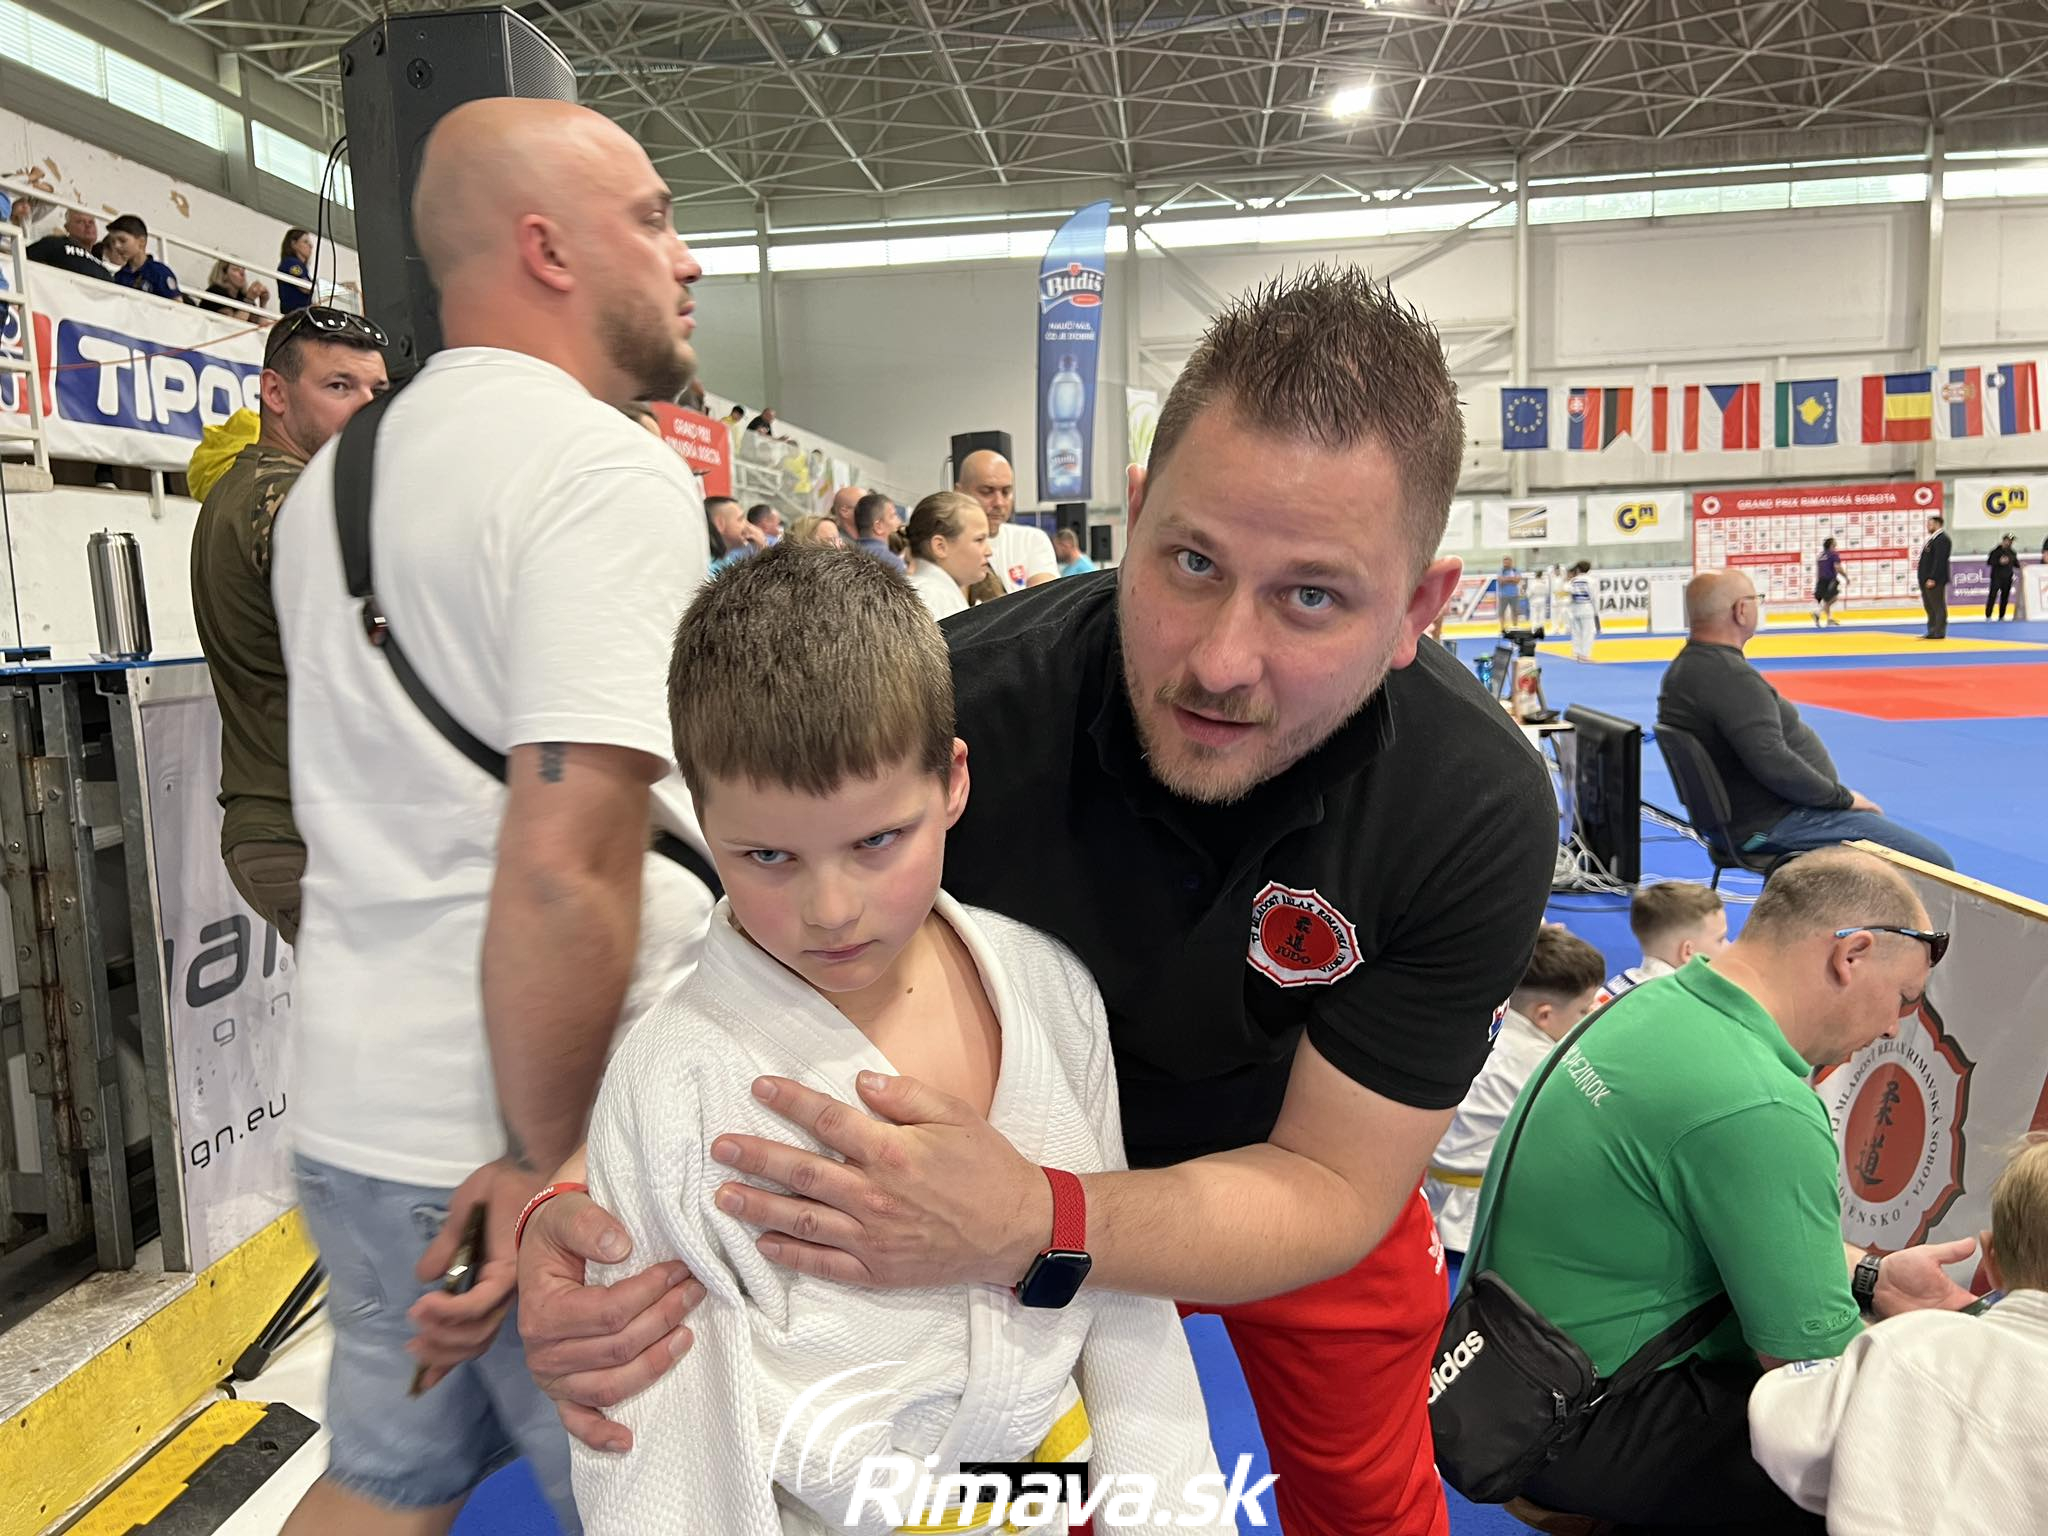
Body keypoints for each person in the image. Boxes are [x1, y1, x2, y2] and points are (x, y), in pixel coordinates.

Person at [513, 266, 1559, 1536]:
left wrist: (1034, 1218)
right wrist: (583, 1204)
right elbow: (742, 966)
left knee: (1370, 1511)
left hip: (1272, 1178)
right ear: (1133, 513)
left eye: (1312, 596)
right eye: (1190, 562)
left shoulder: (1471, 804)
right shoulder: (947, 709)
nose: (1221, 660)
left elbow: (1332, 1185)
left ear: (1418, 610)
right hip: (966, 1184)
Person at [574, 541, 1231, 1535]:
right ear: (702, 818)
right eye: (766, 855)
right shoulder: (671, 1080)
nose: (830, 908)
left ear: (952, 781)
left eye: (877, 840)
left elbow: (1115, 1289)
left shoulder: (1046, 988)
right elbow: (660, 1437)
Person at [266, 98, 715, 1536]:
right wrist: (539, 1162)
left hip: (361, 1105)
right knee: (675, 1500)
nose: (686, 257)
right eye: (651, 218)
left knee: (384, 1479)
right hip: (533, 1135)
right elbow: (565, 863)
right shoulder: (599, 470)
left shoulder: (337, 483)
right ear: (547, 248)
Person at [1475, 848, 1979, 1531]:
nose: (1894, 1026)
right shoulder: (1760, 1102)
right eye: (1903, 998)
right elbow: (1814, 1377)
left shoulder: (1648, 1002)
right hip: (1583, 1421)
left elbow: (1721, 1223)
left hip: (1504, 1371)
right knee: (1905, 1468)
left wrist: (1872, 1276)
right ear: (1851, 955)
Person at [189, 307, 389, 943]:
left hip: (289, 824)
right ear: (275, 393)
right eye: (339, 386)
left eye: (377, 390)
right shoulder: (292, 499)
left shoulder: (246, 488)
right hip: (312, 829)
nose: (367, 407)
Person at [1749, 1135, 2048, 1536]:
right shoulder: (1920, 1343)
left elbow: (1782, 1430)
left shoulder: (1912, 1346)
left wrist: (1879, 1348)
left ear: (1990, 1259)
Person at [1659, 570, 1954, 869]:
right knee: (1933, 864)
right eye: (1756, 599)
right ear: (1741, 610)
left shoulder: (1683, 672)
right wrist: (1843, 799)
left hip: (1745, 823)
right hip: (1772, 824)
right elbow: (1772, 761)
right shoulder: (1729, 678)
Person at [1424, 924, 1604, 1254]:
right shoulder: (1542, 1064)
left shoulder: (1482, 1014)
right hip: (1471, 1214)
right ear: (1544, 1014)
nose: (1590, 1015)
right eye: (1583, 1009)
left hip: (1423, 1184)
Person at [1604, 879, 1729, 998]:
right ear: (1688, 951)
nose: (1728, 946)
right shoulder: (1685, 1004)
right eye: (1720, 939)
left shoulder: (1617, 984)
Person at [956, 448, 1056, 592]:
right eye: (986, 491)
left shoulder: (1032, 540)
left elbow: (1045, 600)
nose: (999, 502)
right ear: (960, 493)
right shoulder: (948, 549)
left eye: (1006, 492)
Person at [902, 490, 991, 621]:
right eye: (979, 540)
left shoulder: (918, 592)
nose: (989, 551)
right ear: (940, 547)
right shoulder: (937, 598)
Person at [103, 214, 182, 300]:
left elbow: (176, 303)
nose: (116, 246)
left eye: (122, 240)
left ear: (142, 242)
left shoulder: (159, 272)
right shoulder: (120, 276)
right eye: (113, 242)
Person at [26, 206, 111, 280]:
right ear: (67, 227)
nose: (88, 225)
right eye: (80, 221)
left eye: (91, 222)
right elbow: (24, 257)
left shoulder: (100, 260)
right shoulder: (54, 243)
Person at [707, 494, 765, 574]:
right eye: (740, 519)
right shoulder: (710, 570)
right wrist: (764, 551)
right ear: (719, 524)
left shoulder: (727, 561)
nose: (747, 526)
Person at [850, 491, 905, 571]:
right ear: (878, 526)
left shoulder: (847, 554)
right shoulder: (892, 563)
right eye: (893, 516)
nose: (899, 521)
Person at [1917, 513, 1950, 640]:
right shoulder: (1933, 539)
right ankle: (1932, 630)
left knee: (1937, 605)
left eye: (1930, 524)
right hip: (1926, 579)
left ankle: (1939, 631)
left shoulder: (1942, 539)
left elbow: (1940, 561)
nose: (1927, 526)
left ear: (1937, 524)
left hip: (1935, 580)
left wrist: (1933, 578)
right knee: (1930, 606)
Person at [202, 258, 270, 315]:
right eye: (236, 269)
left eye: (243, 269)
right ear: (224, 274)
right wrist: (249, 300)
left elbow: (258, 323)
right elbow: (231, 323)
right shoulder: (215, 292)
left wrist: (263, 303)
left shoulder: (241, 296)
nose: (242, 273)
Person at [278, 226, 314, 313]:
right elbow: (305, 286)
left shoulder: (299, 266)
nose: (311, 246)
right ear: (293, 244)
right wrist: (336, 289)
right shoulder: (291, 263)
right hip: (296, 315)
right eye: (305, 242)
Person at [1813, 536, 1845, 627]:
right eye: (1834, 542)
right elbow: (1837, 567)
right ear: (1831, 545)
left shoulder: (1821, 555)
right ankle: (1818, 613)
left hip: (1821, 580)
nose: (1836, 544)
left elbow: (1819, 569)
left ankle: (1829, 619)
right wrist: (1846, 577)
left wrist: (1818, 582)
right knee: (1833, 598)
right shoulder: (1833, 554)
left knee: (1827, 600)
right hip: (1830, 580)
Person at [1987, 533, 2020, 621]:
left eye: (2011, 541)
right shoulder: (1996, 551)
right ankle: (1988, 616)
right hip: (1996, 578)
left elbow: (2016, 564)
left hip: (2007, 579)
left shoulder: (2012, 552)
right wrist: (1999, 561)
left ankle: (2001, 616)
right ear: (2004, 540)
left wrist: (2022, 565)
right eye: (2009, 540)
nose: (2010, 542)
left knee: (2005, 598)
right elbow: (1989, 562)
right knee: (1992, 596)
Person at [1496, 557, 1523, 630]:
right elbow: (1500, 581)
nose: (1506, 564)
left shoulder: (1515, 570)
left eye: (1507, 562)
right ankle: (1502, 628)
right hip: (1503, 595)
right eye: (1505, 562)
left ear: (1511, 562)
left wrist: (1506, 579)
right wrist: (1511, 579)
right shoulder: (1501, 571)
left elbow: (1517, 580)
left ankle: (1515, 626)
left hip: (1514, 595)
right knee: (1501, 612)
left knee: (1515, 611)